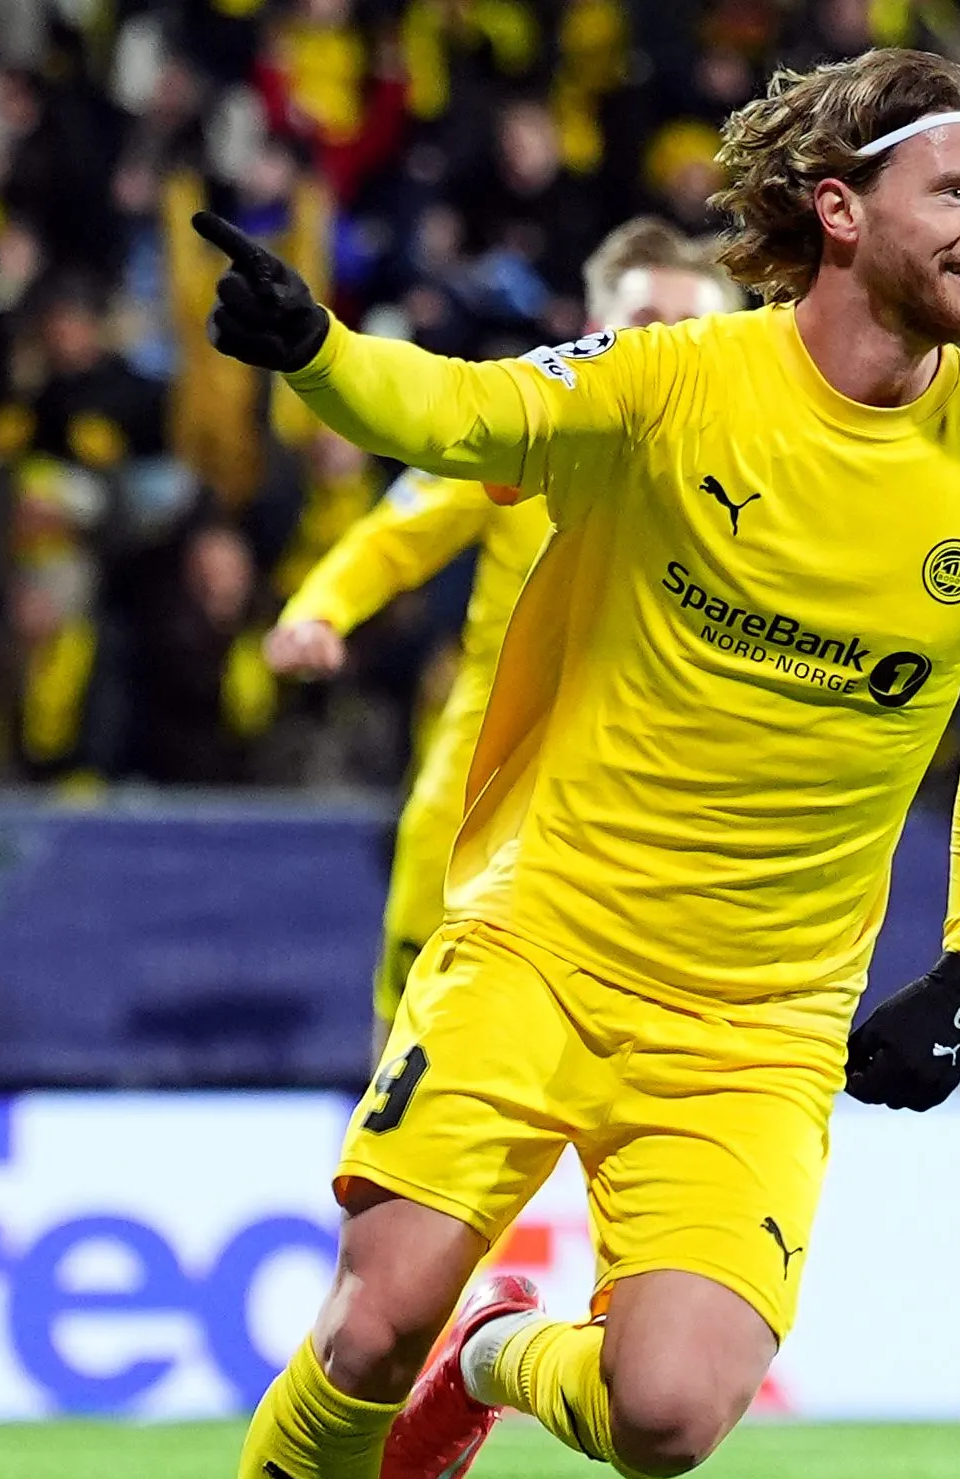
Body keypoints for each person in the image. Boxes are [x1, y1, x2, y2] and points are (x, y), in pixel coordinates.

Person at [149, 50, 960, 1479]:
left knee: (667, 1414)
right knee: (367, 1316)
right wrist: (317, 355)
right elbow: (464, 422)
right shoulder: (672, 385)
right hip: (541, 936)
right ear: (840, 211)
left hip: (757, 1020)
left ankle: (505, 1355)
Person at [265, 219, 740, 1039]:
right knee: (421, 961)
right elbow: (396, 535)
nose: (663, 351)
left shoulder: (759, 471)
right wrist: (318, 609)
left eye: (686, 331)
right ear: (596, 336)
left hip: (668, 774)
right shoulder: (529, 428)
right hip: (496, 752)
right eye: (641, 327)